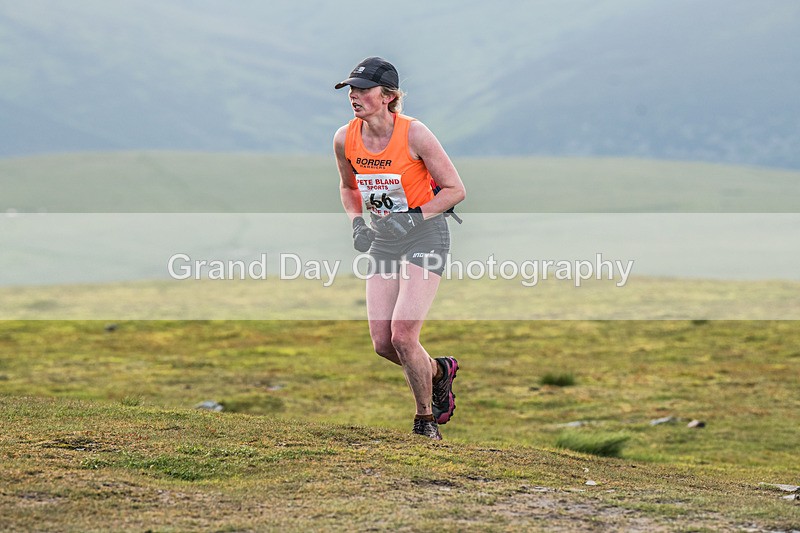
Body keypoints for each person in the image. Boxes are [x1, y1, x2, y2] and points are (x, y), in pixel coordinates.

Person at [333, 57, 466, 440]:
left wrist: (412, 216)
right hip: (384, 239)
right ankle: (440, 371)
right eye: (351, 90)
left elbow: (456, 190)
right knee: (383, 343)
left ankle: (425, 421)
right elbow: (348, 187)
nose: (354, 96)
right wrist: (357, 223)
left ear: (388, 97)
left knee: (404, 335)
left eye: (362, 89)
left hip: (425, 234)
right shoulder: (344, 138)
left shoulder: (415, 134)